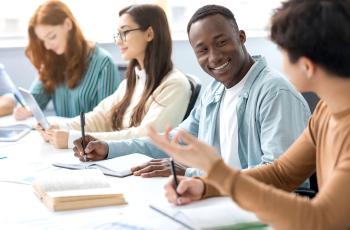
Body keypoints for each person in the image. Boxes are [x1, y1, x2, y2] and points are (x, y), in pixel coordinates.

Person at [149, 0, 350, 229]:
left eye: (282, 52)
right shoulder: (326, 111)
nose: (280, 64)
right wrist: (206, 185)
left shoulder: (278, 91)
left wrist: (216, 171)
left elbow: (321, 219)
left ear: (307, 66)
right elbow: (281, 172)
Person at [72, 5, 310, 179]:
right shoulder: (214, 91)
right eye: (202, 50)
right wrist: (109, 149)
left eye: (222, 42)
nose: (214, 57)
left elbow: (280, 175)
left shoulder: (274, 92)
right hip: (220, 199)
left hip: (265, 212)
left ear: (241, 37)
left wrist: (193, 174)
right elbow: (173, 142)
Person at [38, 4, 191, 149]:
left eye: (125, 32)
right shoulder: (132, 82)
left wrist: (75, 139)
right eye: (118, 34)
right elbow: (101, 117)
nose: (118, 40)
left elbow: (146, 137)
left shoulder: (175, 85)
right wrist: (59, 127)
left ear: (149, 34)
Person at [13, 0, 120, 120]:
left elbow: (107, 119)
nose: (47, 46)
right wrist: (25, 109)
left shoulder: (103, 63)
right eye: (43, 41)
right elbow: (33, 100)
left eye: (52, 37)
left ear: (68, 24)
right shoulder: (52, 61)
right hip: (60, 137)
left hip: (90, 138)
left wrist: (66, 131)